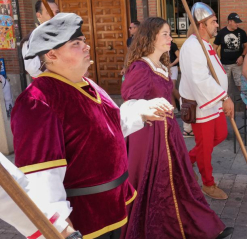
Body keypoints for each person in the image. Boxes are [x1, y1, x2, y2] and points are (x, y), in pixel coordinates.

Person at [11, 13, 173, 239]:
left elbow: (106, 129)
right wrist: (60, 228)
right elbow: (41, 176)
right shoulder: (38, 100)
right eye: (76, 44)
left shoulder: (87, 84)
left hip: (113, 208)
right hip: (82, 221)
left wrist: (141, 112)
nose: (86, 46)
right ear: (51, 54)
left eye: (83, 40)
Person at [121, 17, 233, 239]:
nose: (170, 38)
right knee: (155, 186)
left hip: (168, 133)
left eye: (169, 33)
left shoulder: (160, 66)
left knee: (180, 183)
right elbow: (128, 103)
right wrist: (147, 107)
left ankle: (201, 228)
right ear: (150, 37)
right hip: (149, 137)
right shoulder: (141, 68)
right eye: (165, 34)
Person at [180, 2, 235, 200]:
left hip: (214, 102)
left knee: (220, 135)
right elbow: (199, 79)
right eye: (213, 22)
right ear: (202, 24)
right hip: (201, 105)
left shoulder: (205, 45)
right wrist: (225, 98)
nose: (216, 26)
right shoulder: (192, 46)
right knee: (205, 145)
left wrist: (222, 98)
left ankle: (186, 161)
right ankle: (208, 184)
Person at [21, 0, 60, 78]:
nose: (54, 16)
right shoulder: (31, 39)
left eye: (57, 12)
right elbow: (32, 69)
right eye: (49, 12)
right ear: (39, 15)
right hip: (48, 83)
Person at [213, 12, 247, 91]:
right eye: (236, 22)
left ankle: (245, 102)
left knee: (241, 85)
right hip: (225, 64)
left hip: (238, 64)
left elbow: (246, 46)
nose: (237, 24)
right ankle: (228, 102)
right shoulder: (221, 33)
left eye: (238, 22)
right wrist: (217, 59)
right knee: (225, 86)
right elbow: (214, 47)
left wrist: (242, 56)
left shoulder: (241, 32)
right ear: (229, 21)